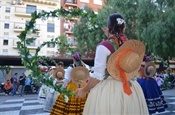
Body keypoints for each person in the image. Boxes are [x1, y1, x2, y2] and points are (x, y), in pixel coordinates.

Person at [75, 13, 149, 115]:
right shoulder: (129, 46)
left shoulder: (104, 46)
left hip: (110, 92)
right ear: (124, 29)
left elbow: (98, 77)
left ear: (108, 28)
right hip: (131, 88)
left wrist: (84, 89)